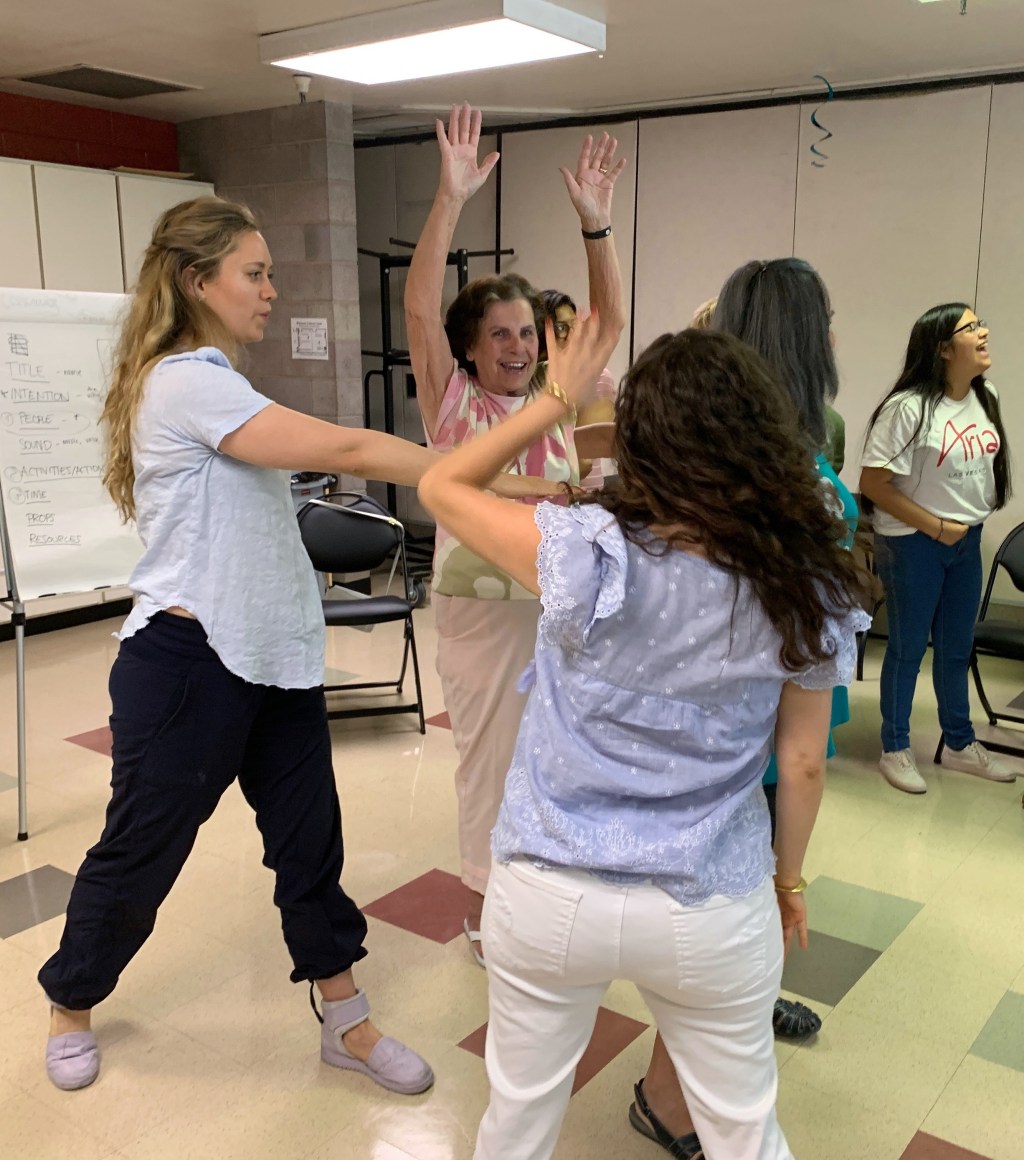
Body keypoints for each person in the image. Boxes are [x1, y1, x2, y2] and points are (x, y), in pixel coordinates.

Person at [35, 195, 542, 1095]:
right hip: (189, 666)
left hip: (276, 660)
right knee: (141, 849)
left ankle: (344, 1022)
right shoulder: (183, 378)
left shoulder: (217, 378)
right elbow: (344, 441)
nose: (272, 289)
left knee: (310, 850)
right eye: (255, 273)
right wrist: (464, 466)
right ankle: (71, 1000)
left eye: (270, 270)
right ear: (199, 282)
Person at [418, 314, 868, 1160]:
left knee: (515, 1123)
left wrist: (552, 400)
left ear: (642, 440)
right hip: (708, 901)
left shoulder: (583, 549)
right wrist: (789, 881)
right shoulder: (802, 577)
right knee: (745, 1132)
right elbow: (802, 763)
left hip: (549, 890)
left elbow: (443, 487)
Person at [630, 261, 858, 1157]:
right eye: (828, 321)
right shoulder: (804, 488)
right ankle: (668, 1098)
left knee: (716, 936)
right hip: (754, 745)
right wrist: (792, 878)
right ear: (804, 344)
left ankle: (689, 1063)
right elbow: (799, 747)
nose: (837, 337)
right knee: (721, 930)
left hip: (708, 738)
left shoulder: (696, 473)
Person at [404, 103, 625, 962]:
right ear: (467, 349)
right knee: (490, 760)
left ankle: (540, 886)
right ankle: (481, 910)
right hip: (480, 611)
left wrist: (596, 224)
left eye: (527, 332)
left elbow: (605, 318)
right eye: (498, 334)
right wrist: (450, 200)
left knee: (557, 755)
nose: (518, 345)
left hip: (555, 603)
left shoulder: (554, 399)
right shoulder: (453, 401)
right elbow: (421, 308)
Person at [860, 304, 1015, 793]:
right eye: (971, 328)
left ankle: (959, 743)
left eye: (980, 323)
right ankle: (895, 747)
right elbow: (873, 484)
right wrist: (935, 525)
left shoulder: (986, 395)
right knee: (907, 648)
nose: (984, 332)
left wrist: (963, 525)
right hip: (913, 543)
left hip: (963, 541)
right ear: (944, 349)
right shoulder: (908, 407)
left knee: (956, 647)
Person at [539, 288, 616, 488]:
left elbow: (583, 462)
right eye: (561, 327)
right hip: (543, 494)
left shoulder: (597, 377)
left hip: (582, 497)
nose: (572, 335)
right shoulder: (531, 380)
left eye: (576, 326)